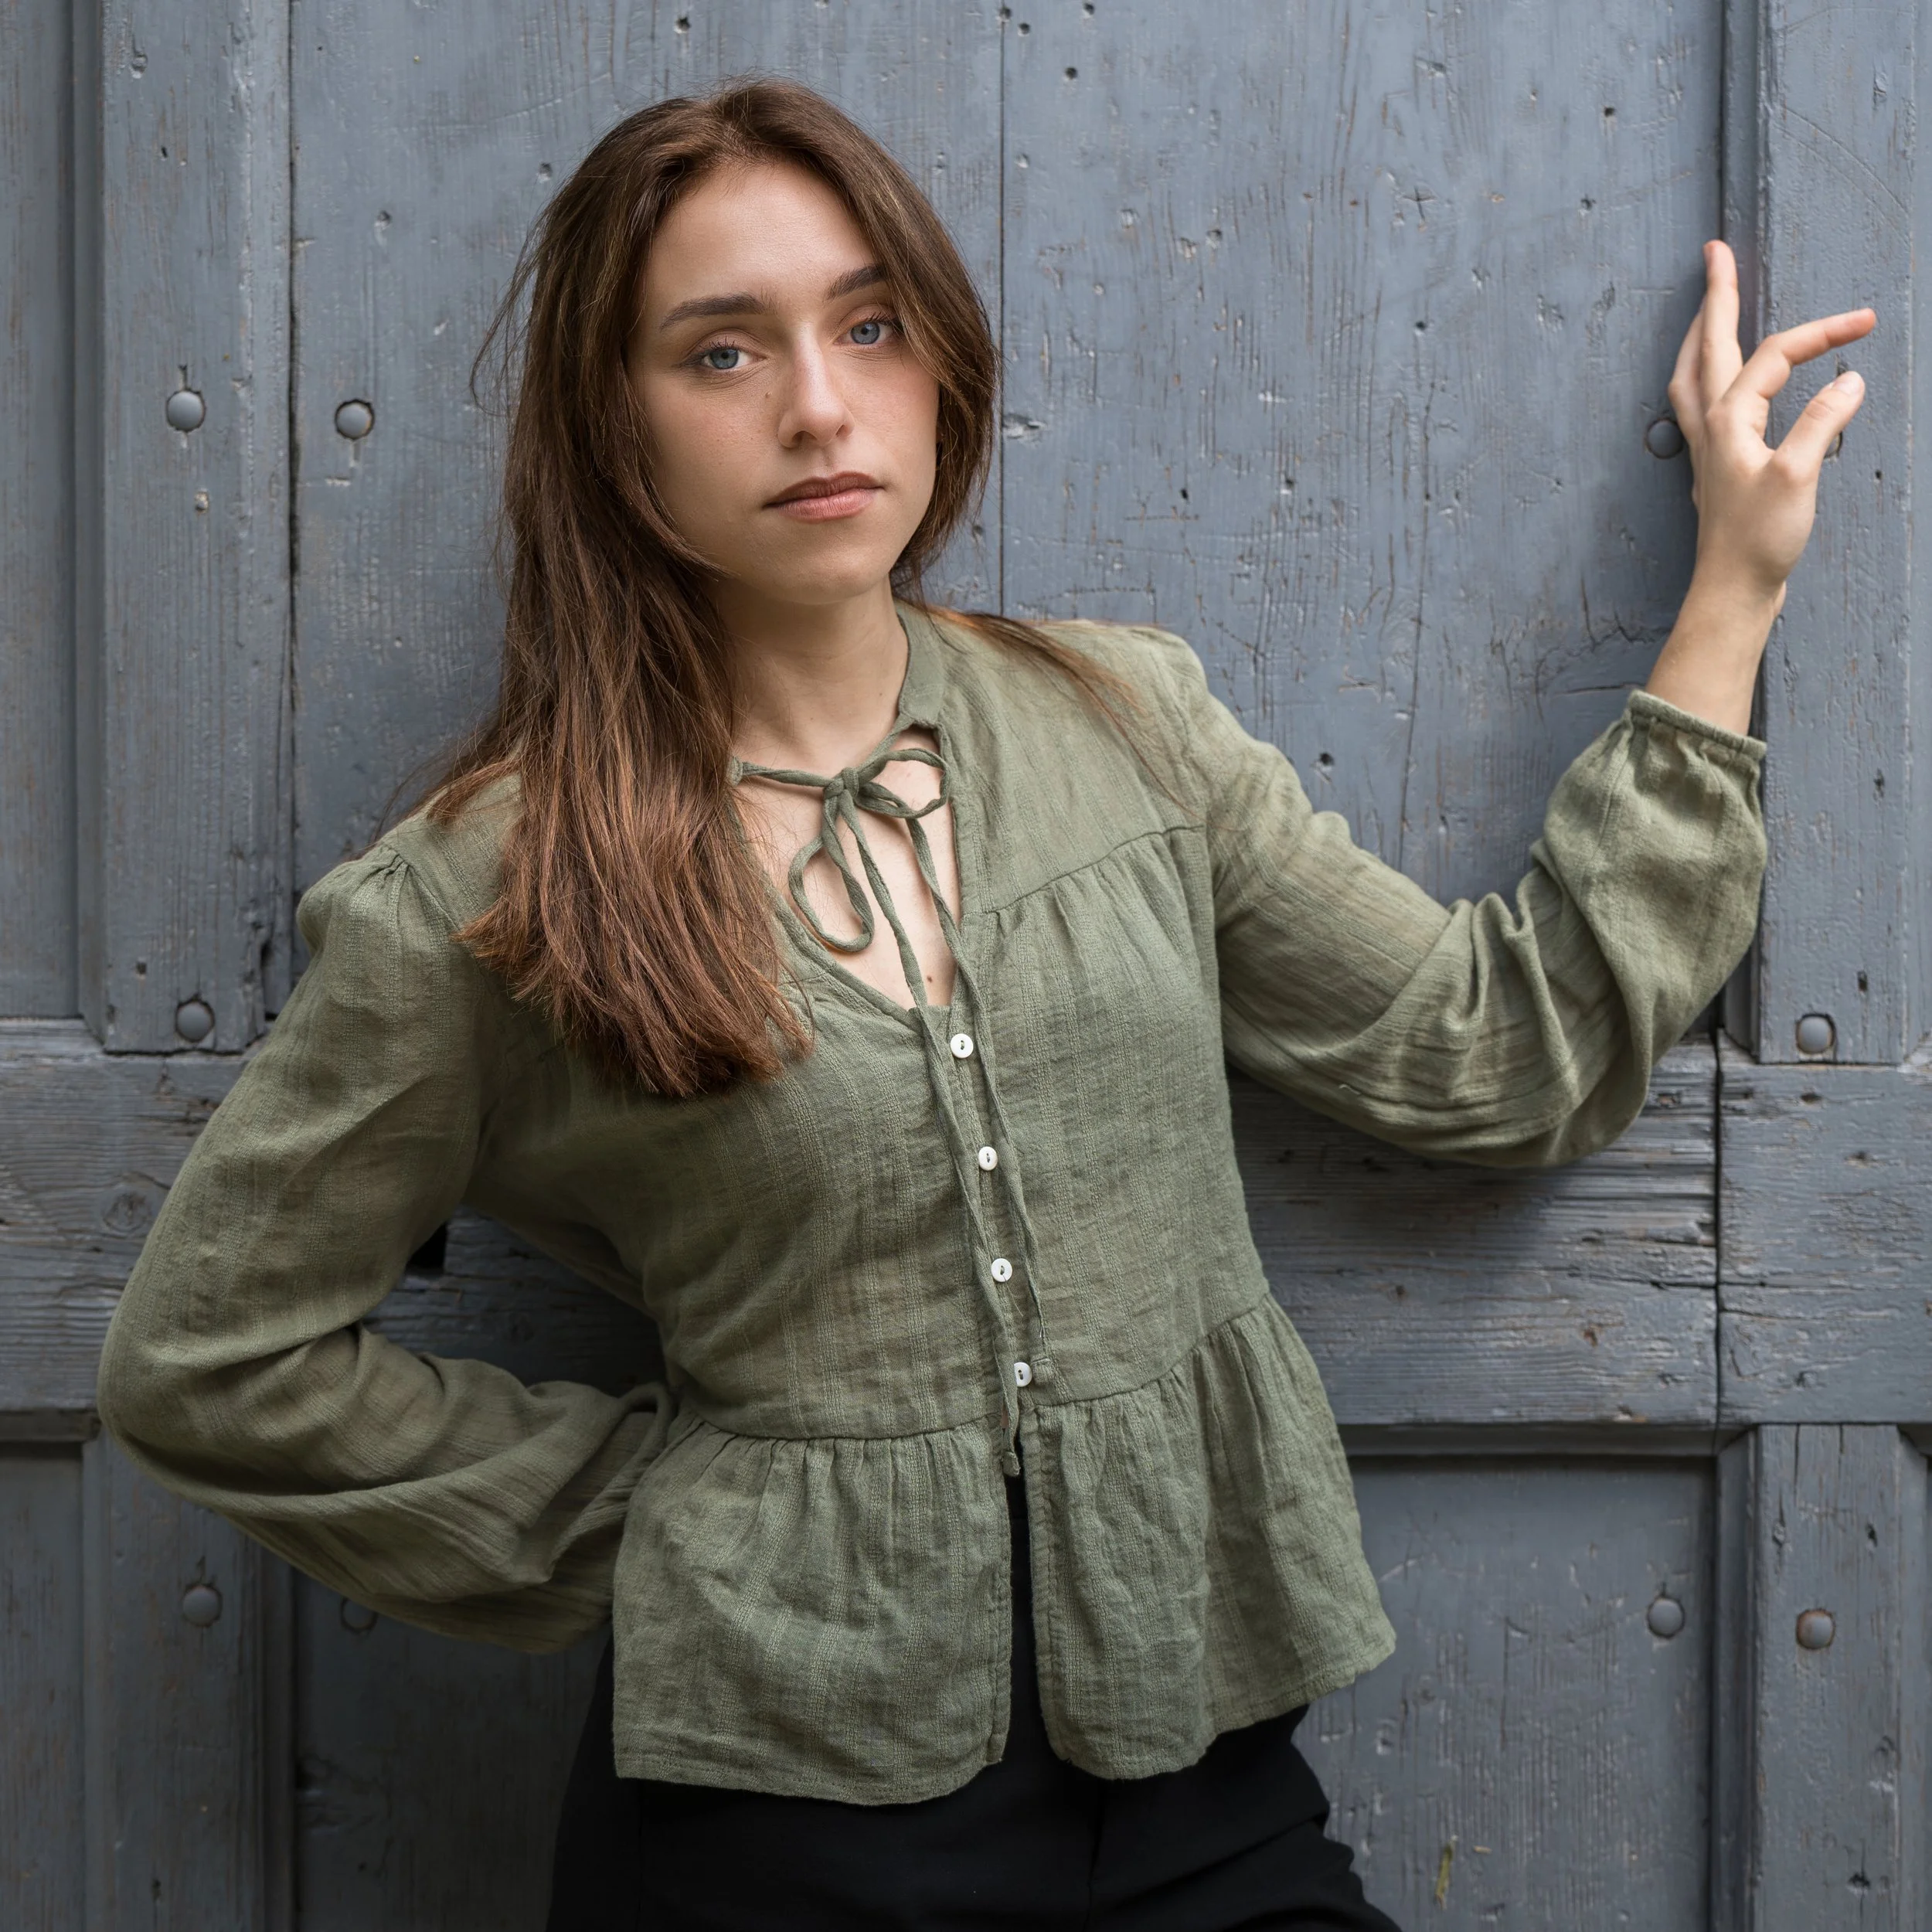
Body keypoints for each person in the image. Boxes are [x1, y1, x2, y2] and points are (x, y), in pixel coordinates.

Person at [97, 77, 1872, 1931]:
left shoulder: (1128, 724)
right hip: (763, 1834)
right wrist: (672, 1523)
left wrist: (1731, 589)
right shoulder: (491, 885)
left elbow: (1488, 1053)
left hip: (1200, 1795)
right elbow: (215, 1359)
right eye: (721, 351)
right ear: (615, 434)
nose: (817, 401)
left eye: (868, 322)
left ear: (938, 355)